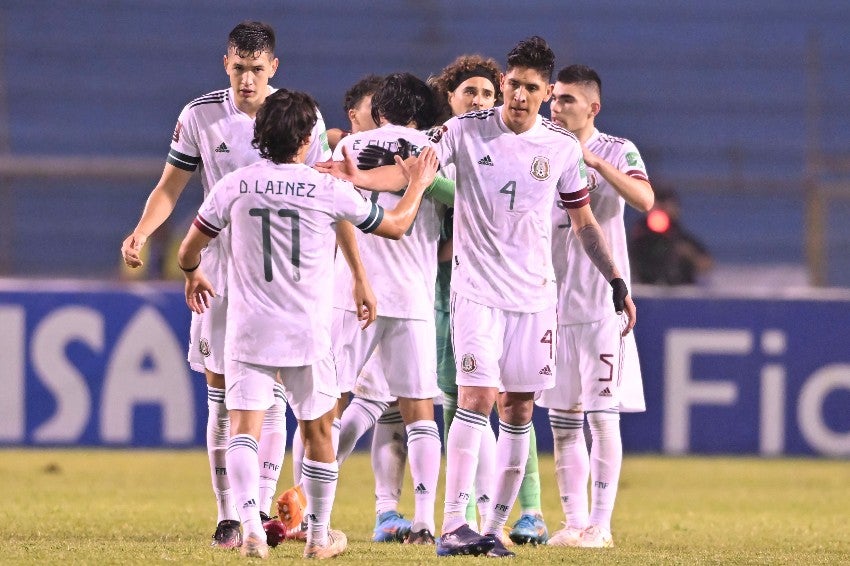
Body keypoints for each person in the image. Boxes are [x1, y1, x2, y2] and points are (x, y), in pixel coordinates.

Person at [315, 36, 636, 558]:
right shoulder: (464, 129)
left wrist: (616, 280)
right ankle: (452, 525)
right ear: (505, 82)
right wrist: (361, 177)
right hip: (477, 292)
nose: (519, 95)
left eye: (532, 88)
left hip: (535, 298)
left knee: (519, 408)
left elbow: (583, 222)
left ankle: (493, 527)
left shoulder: (559, 148)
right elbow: (413, 168)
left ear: (546, 91)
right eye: (513, 84)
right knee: (475, 400)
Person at [176, 88, 440, 558]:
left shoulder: (234, 185)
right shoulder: (327, 189)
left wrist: (193, 271)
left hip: (250, 330)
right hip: (308, 334)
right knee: (319, 432)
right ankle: (318, 539)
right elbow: (397, 225)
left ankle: (250, 530)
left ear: (259, 135)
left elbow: (188, 250)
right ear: (305, 140)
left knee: (243, 429)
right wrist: (417, 184)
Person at [119, 21, 351, 549]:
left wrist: (346, 272)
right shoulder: (200, 115)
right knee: (224, 397)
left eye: (257, 69)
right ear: (226, 64)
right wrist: (142, 233)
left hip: (287, 283)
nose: (248, 79)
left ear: (274, 67)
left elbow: (326, 197)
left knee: (267, 400)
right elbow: (169, 188)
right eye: (239, 68)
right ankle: (230, 514)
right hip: (221, 274)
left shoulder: (298, 117)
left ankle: (260, 513)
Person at [540, 64, 653, 549]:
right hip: (550, 305)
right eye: (554, 98)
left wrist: (595, 163)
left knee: (602, 417)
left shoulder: (617, 149)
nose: (555, 106)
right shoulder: (538, 150)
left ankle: (601, 526)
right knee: (562, 420)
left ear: (593, 107)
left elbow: (645, 200)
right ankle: (574, 521)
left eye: (566, 99)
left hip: (600, 305)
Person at [628, 186, 713, 285]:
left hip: (678, 288)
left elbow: (706, 264)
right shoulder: (640, 234)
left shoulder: (678, 235)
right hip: (645, 287)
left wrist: (689, 255)